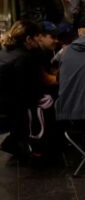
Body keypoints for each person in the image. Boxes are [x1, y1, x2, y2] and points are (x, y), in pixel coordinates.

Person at [0, 20, 44, 156]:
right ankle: (35, 145)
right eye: (38, 36)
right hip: (11, 104)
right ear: (28, 39)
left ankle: (14, 141)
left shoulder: (4, 51)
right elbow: (29, 89)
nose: (40, 39)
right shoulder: (25, 58)